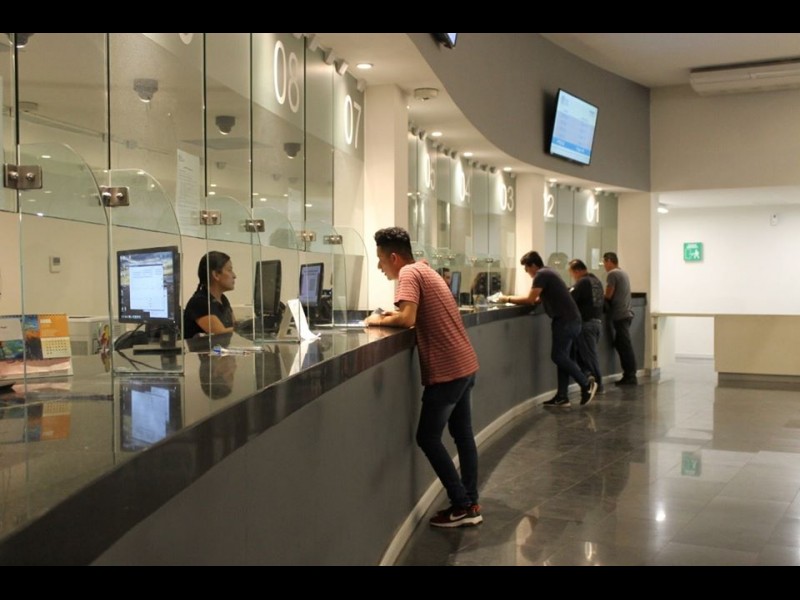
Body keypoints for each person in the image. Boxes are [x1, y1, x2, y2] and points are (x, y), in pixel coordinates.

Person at [365, 227, 482, 528]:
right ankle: (471, 502)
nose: (379, 266)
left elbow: (407, 318)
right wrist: (389, 316)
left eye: (381, 259)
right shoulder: (425, 270)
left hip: (447, 370)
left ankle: (461, 504)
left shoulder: (408, 274)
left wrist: (375, 320)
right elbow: (413, 315)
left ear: (394, 257)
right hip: (464, 364)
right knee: (463, 435)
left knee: (427, 437)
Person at [498, 251, 598, 407]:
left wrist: (507, 298)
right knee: (563, 358)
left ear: (533, 265)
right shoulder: (550, 272)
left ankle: (586, 383)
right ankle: (562, 396)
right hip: (571, 320)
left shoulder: (541, 275)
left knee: (558, 356)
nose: (527, 272)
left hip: (565, 321)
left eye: (526, 268)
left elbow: (530, 299)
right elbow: (538, 298)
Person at [568, 259, 605, 395]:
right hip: (597, 323)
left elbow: (570, 299)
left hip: (586, 324)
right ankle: (590, 378)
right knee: (584, 354)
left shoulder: (582, 282)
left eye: (572, 273)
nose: (573, 277)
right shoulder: (596, 281)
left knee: (589, 357)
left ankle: (597, 385)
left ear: (577, 270)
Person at [602, 252, 637, 385]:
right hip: (627, 313)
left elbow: (608, 295)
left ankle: (630, 375)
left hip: (620, 314)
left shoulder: (612, 274)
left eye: (604, 262)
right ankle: (629, 374)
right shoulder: (623, 273)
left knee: (624, 345)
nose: (604, 266)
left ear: (609, 261)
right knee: (621, 343)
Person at [183, 251, 236, 339]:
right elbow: (220, 335)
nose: (234, 275)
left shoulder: (223, 299)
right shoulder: (199, 302)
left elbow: (234, 326)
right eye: (229, 270)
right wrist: (248, 329)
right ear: (216, 275)